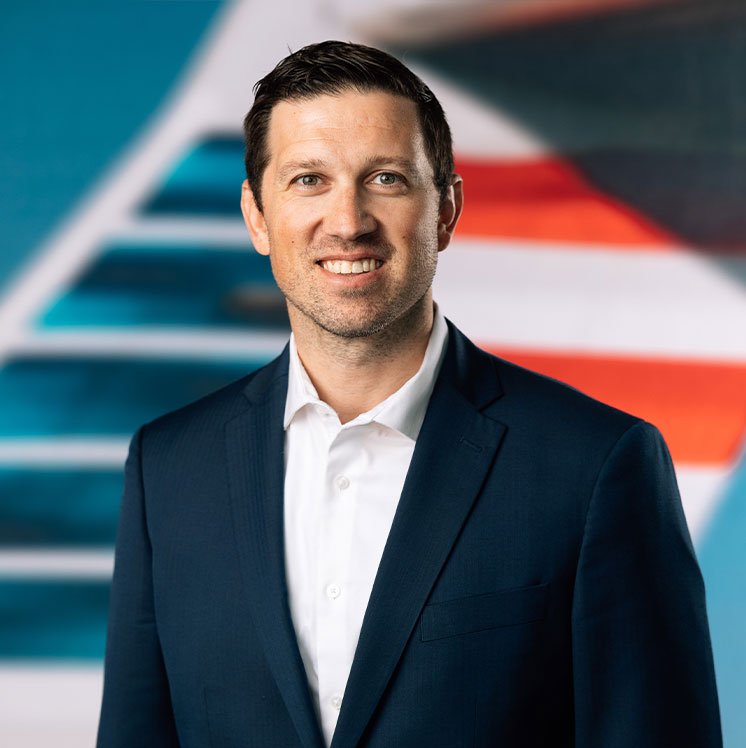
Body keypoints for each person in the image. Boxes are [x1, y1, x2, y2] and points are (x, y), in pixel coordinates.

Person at [97, 40, 722, 748]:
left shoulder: (596, 465)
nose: (348, 220)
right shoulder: (169, 468)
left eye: (386, 178)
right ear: (257, 217)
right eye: (309, 179)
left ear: (446, 209)